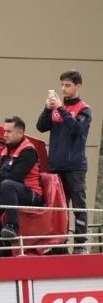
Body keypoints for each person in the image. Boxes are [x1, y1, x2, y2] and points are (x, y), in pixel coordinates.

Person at [36, 70, 93, 254]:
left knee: (79, 207)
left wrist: (60, 108)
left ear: (78, 86)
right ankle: (59, 246)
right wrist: (47, 108)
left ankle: (80, 245)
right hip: (56, 166)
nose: (63, 89)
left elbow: (76, 129)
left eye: (67, 85)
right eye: (62, 85)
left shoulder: (84, 109)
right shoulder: (55, 108)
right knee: (59, 209)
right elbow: (41, 127)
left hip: (75, 167)